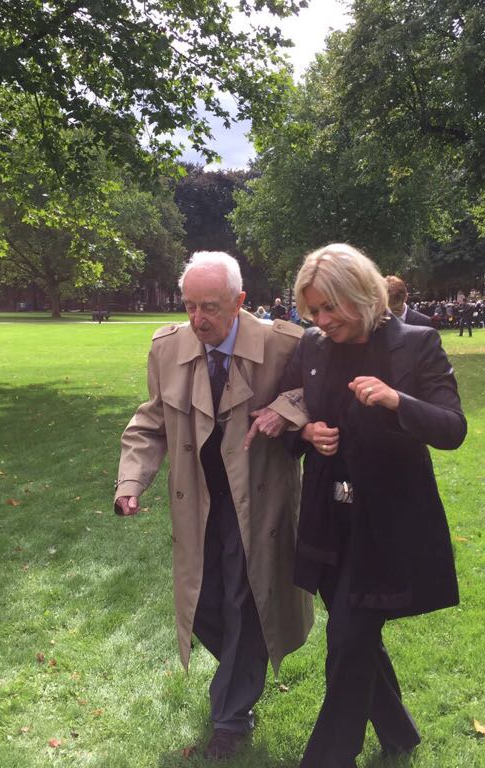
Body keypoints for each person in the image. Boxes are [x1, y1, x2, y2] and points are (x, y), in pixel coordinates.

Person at [114, 251, 314, 760]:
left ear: (239, 301)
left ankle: (230, 717)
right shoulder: (167, 348)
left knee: (245, 598)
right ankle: (243, 669)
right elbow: (150, 422)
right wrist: (131, 481)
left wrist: (286, 409)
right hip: (197, 499)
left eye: (210, 307)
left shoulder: (284, 344)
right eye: (190, 306)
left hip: (258, 501)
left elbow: (319, 391)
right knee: (203, 603)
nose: (198, 319)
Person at [273, 243, 466, 766]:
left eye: (330, 307)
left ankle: (328, 757)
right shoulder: (312, 348)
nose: (321, 320)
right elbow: (287, 413)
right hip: (326, 519)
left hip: (387, 523)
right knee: (355, 632)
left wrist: (397, 400)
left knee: (347, 636)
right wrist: (306, 433)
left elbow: (453, 428)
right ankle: (400, 736)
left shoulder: (417, 344)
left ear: (361, 294)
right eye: (313, 310)